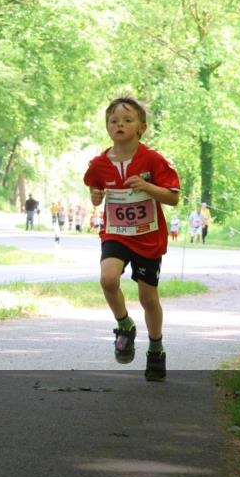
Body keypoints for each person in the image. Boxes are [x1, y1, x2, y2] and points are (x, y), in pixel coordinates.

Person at [84, 97, 180, 382]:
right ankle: (124, 325)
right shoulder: (99, 163)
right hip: (116, 233)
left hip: (148, 236)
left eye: (127, 120)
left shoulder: (153, 160)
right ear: (107, 127)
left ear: (142, 128)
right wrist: (95, 196)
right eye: (114, 121)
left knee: (148, 298)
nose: (120, 125)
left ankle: (156, 348)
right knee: (108, 279)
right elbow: (94, 188)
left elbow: (173, 197)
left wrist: (147, 186)